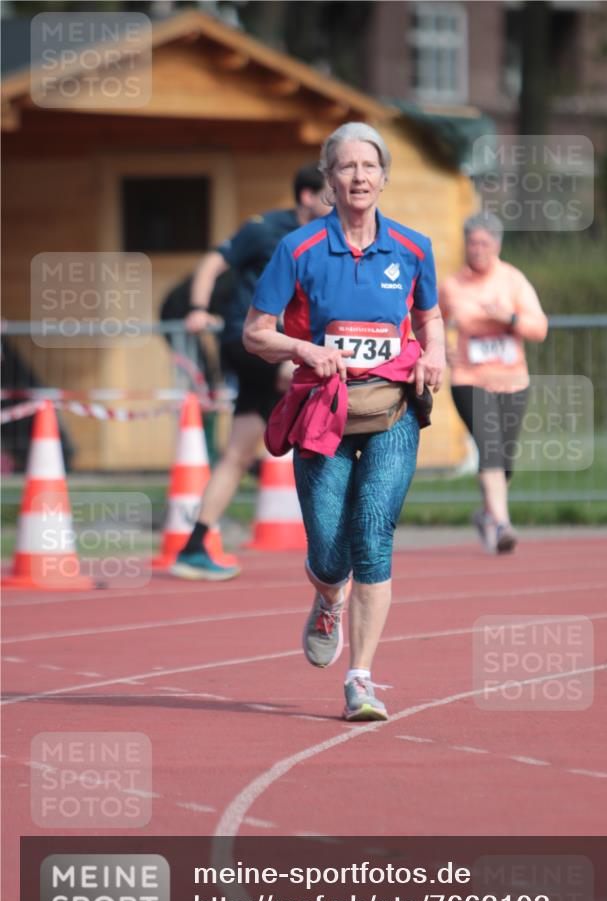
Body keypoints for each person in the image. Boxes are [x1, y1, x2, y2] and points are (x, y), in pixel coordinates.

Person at [242, 122, 445, 722]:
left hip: (391, 410)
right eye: (347, 166)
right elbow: (255, 332)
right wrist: (304, 349)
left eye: (369, 166)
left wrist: (434, 354)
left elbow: (430, 318)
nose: (359, 176)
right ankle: (328, 597)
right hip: (321, 414)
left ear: (384, 177)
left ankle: (361, 680)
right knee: (331, 554)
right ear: (329, 179)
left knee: (373, 533)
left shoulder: (413, 248)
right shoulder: (298, 249)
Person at [170, 164, 329, 581]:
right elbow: (211, 264)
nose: (338, 202)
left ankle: (194, 545)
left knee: (237, 452)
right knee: (314, 388)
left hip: (284, 350)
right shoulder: (265, 230)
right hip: (253, 341)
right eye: (330, 194)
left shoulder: (327, 238)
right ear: (307, 196)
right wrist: (198, 308)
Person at [439, 212, 548, 554]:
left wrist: (509, 318)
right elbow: (430, 319)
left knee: (504, 458)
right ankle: (502, 523)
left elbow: (539, 329)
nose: (478, 250)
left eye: (484, 243)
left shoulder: (513, 281)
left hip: (513, 381)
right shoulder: (452, 286)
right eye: (472, 243)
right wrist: (440, 347)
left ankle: (487, 513)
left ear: (497, 245)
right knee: (489, 448)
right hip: (469, 379)